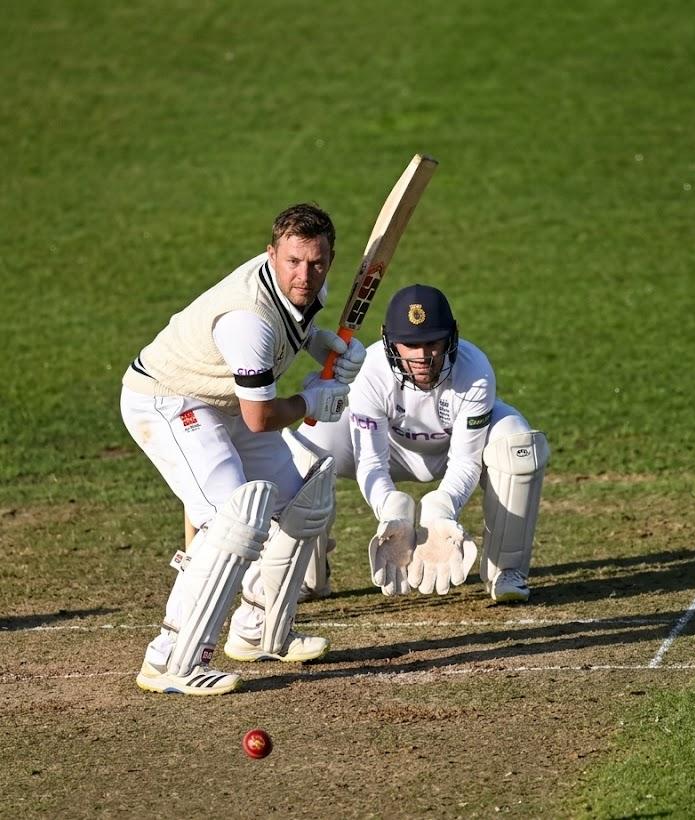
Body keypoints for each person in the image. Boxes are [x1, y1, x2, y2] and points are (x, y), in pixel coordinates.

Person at [120, 203, 366, 695]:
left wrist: (318, 342)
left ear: (329, 260)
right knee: (233, 522)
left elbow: (291, 328)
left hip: (225, 399)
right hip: (170, 399)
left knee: (304, 503)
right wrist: (309, 401)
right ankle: (170, 660)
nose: (304, 275)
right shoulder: (247, 320)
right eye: (292, 262)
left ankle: (259, 630)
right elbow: (261, 417)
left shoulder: (308, 286)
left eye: (316, 263)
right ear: (271, 254)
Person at [294, 283, 549, 603]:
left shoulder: (475, 370)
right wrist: (390, 508)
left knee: (517, 446)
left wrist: (441, 508)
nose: (423, 356)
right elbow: (371, 462)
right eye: (411, 345)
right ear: (391, 342)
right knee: (306, 450)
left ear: (451, 338)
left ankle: (507, 572)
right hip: (390, 450)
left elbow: (466, 460)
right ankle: (307, 575)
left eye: (432, 343)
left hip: (451, 449)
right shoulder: (371, 370)